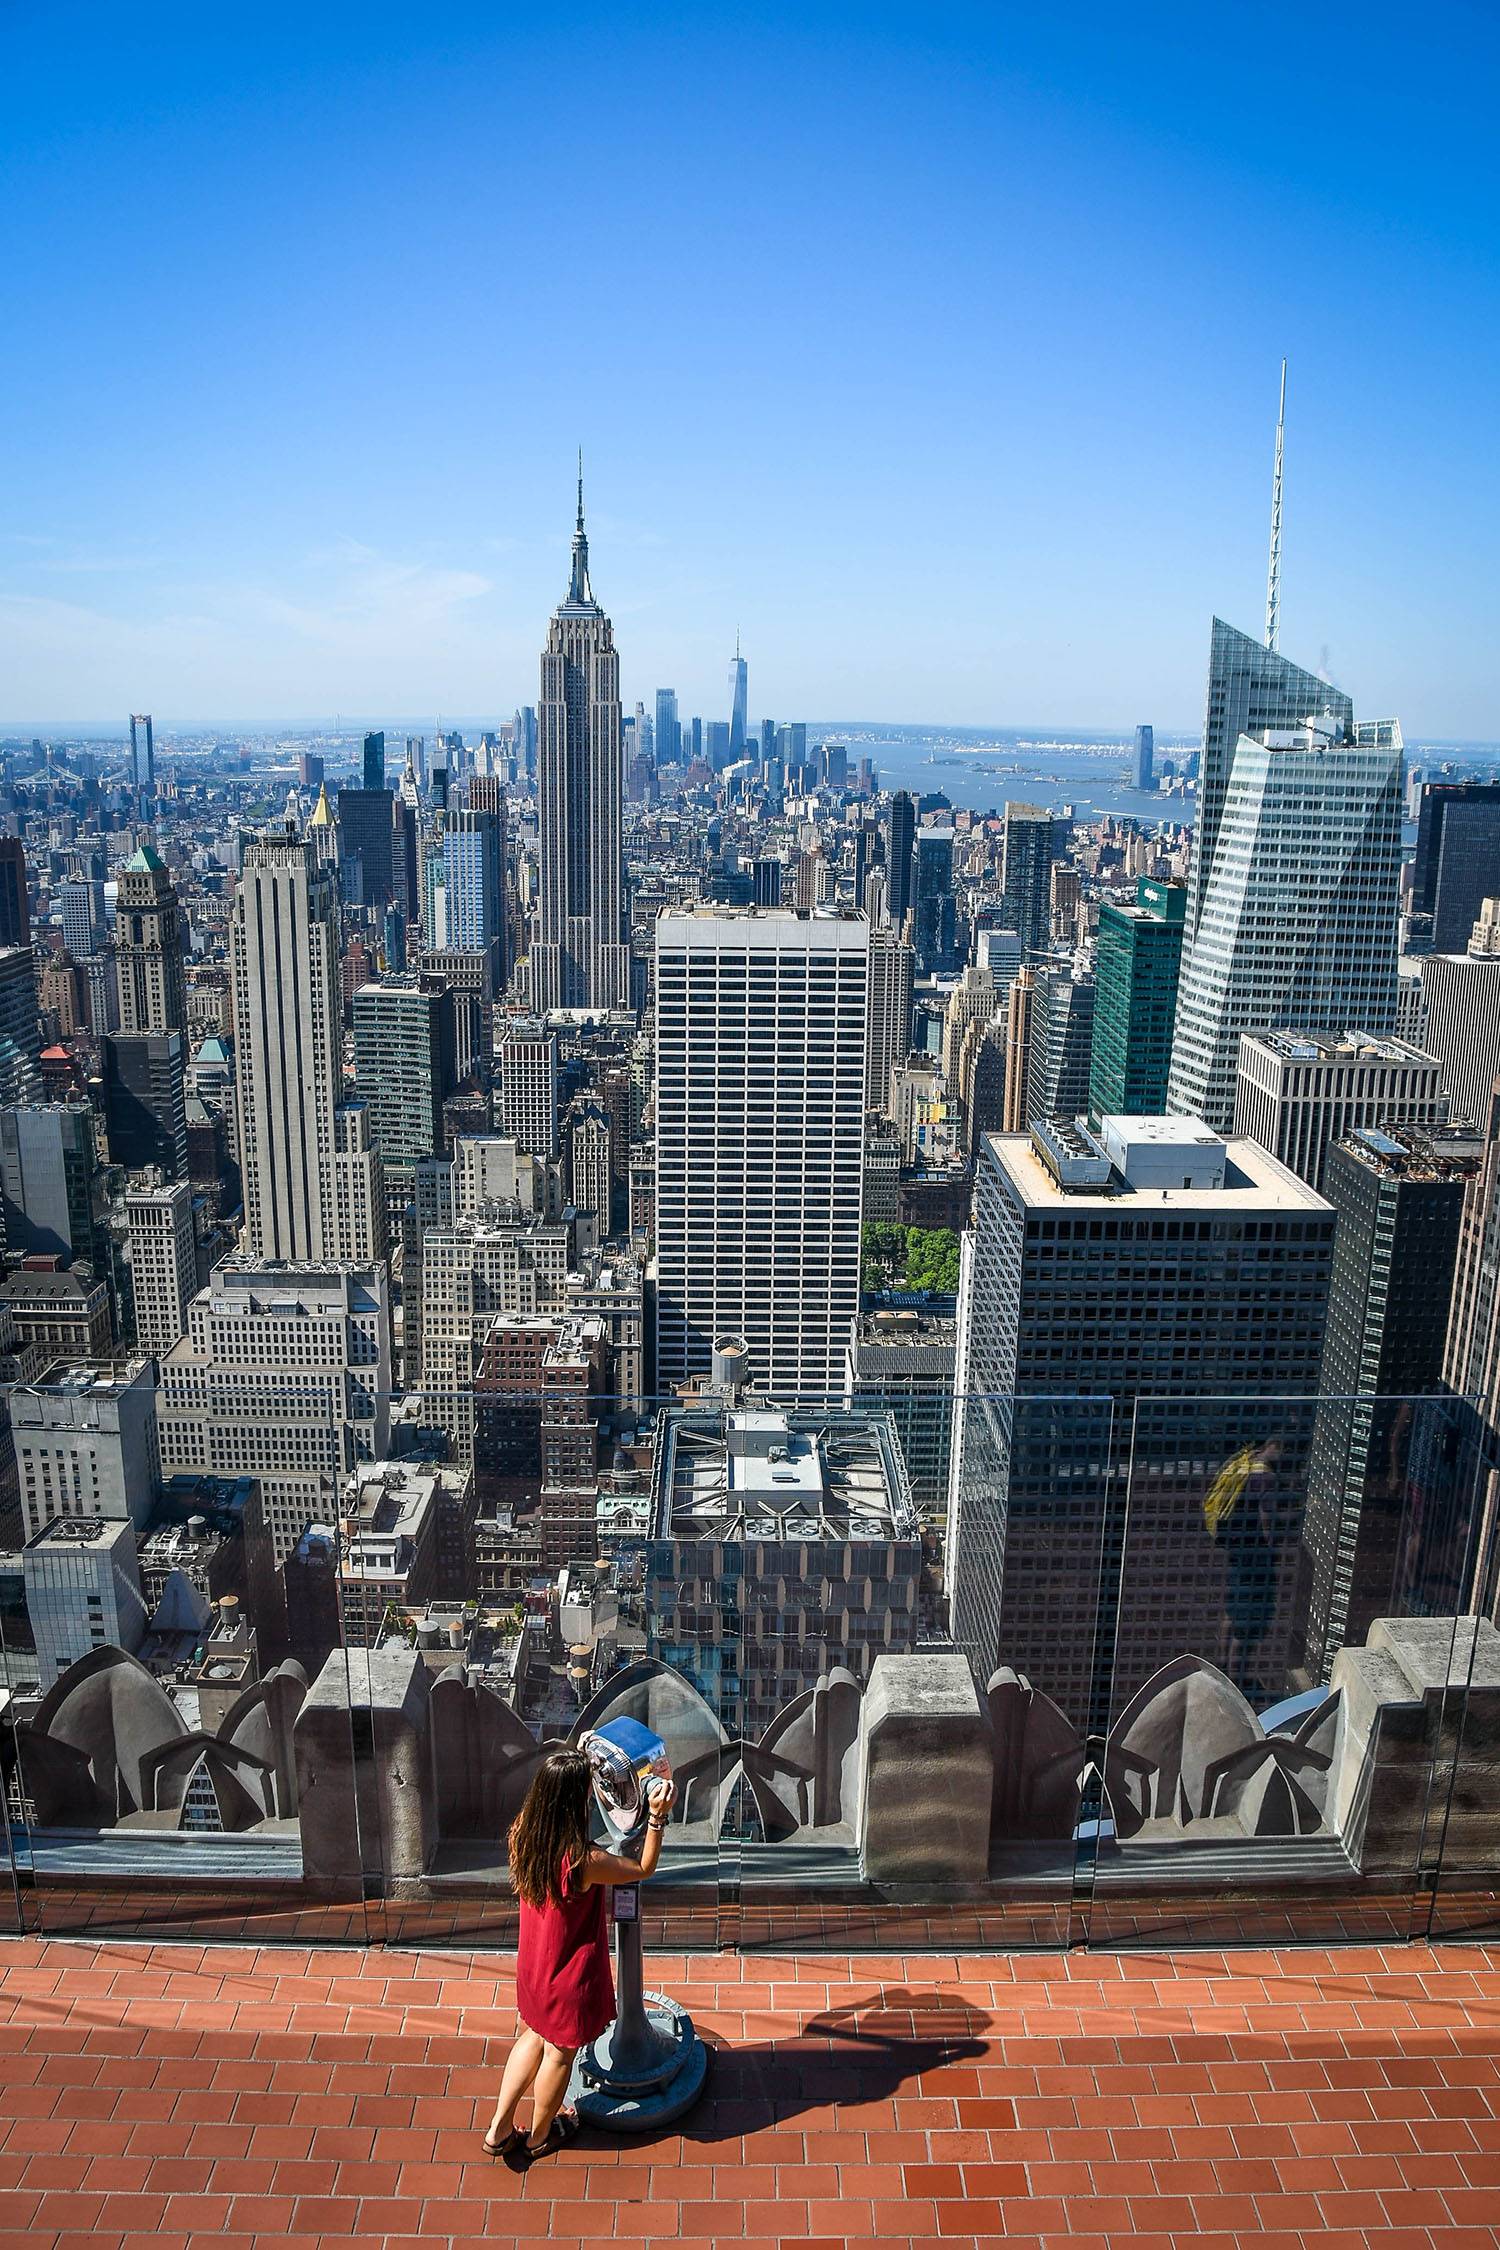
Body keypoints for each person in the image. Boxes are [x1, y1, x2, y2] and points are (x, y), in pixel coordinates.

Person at [483, 1745, 676, 2164]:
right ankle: (539, 2136)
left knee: (532, 2034)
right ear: (574, 1802)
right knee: (560, 2052)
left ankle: (498, 2128)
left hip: (534, 1965)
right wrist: (657, 1815)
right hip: (568, 1975)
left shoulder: (523, 1833)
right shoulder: (583, 1861)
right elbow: (642, 1867)